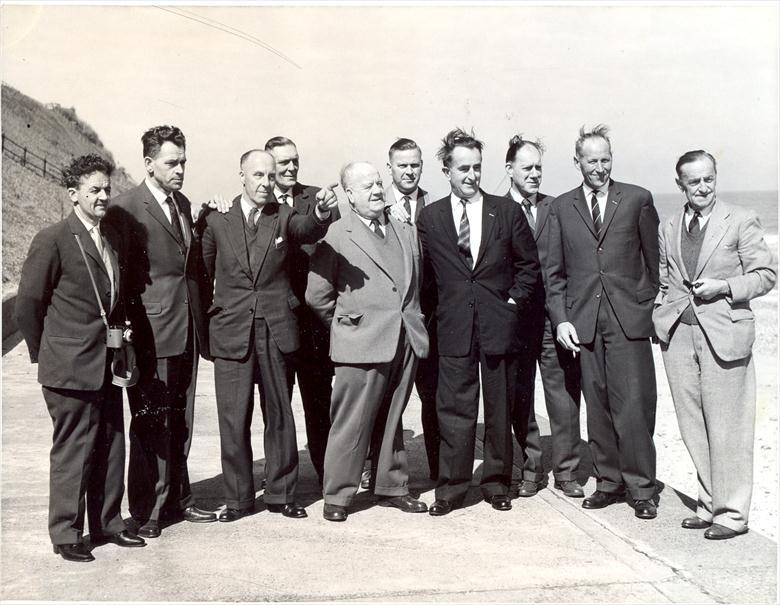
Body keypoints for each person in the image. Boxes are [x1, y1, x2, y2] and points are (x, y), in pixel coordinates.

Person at [16, 154, 146, 562]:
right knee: (74, 449)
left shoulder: (109, 236)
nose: (104, 196)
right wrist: (48, 353)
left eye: (107, 188)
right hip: (69, 367)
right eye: (94, 190)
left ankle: (108, 523)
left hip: (105, 363)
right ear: (73, 194)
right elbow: (28, 305)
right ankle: (66, 533)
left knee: (111, 443)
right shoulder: (53, 238)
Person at [199, 149, 337, 521]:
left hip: (277, 329)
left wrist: (322, 213)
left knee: (279, 414)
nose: (265, 183)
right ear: (241, 175)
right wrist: (205, 332)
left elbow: (307, 229)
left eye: (270, 176)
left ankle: (281, 494)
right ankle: (239, 499)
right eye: (257, 175)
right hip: (231, 331)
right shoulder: (217, 219)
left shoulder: (284, 215)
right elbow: (201, 275)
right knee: (233, 417)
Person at [653, 150, 776, 539]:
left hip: (725, 335)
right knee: (693, 425)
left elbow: (766, 275)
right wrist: (662, 316)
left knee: (730, 428)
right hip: (678, 337)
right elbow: (664, 279)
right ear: (681, 186)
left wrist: (724, 287)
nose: (703, 187)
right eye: (694, 182)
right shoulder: (669, 225)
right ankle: (709, 504)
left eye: (709, 179)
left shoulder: (739, 219)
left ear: (716, 178)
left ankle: (733, 514)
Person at [416, 128, 539, 515]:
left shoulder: (506, 210)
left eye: (477, 168)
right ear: (446, 171)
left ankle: (497, 483)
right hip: (452, 328)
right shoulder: (430, 217)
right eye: (463, 168)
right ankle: (451, 489)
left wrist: (513, 301)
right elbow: (426, 278)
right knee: (454, 409)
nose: (471, 175)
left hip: (499, 325)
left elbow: (528, 266)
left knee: (499, 407)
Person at [106, 125, 215, 538]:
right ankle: (147, 510)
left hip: (186, 331)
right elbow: (121, 277)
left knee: (182, 419)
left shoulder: (183, 203)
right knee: (151, 422)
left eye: (184, 161)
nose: (180, 168)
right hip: (151, 335)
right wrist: (126, 334)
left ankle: (178, 500)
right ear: (149, 164)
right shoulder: (126, 208)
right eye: (172, 162)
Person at [546, 124, 660, 519]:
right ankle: (609, 482)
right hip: (584, 322)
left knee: (634, 405)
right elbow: (554, 272)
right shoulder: (561, 207)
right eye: (591, 160)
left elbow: (654, 261)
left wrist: (645, 309)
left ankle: (642, 488)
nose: (599, 167)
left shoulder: (637, 199)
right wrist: (561, 319)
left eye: (605, 159)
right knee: (597, 406)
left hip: (628, 320)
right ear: (576, 161)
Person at [306, 161, 429, 522]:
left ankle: (391, 486)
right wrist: (348, 325)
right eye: (367, 187)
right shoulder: (337, 234)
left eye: (378, 183)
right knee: (351, 422)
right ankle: (338, 495)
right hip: (360, 342)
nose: (377, 191)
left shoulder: (404, 229)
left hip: (403, 338)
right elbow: (317, 295)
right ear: (349, 195)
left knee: (393, 418)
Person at [503, 135, 583, 499]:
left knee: (564, 396)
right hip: (516, 323)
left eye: (539, 168)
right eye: (527, 168)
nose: (534, 174)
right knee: (520, 397)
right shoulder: (495, 210)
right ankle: (530, 469)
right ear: (510, 170)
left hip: (555, 320)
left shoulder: (557, 208)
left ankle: (567, 471)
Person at [383, 138, 440, 482]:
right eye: (402, 165)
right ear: (390, 167)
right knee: (389, 401)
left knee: (433, 397)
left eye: (415, 165)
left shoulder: (433, 205)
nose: (409, 171)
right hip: (392, 321)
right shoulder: (376, 204)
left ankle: (438, 469)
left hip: (430, 319)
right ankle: (383, 470)